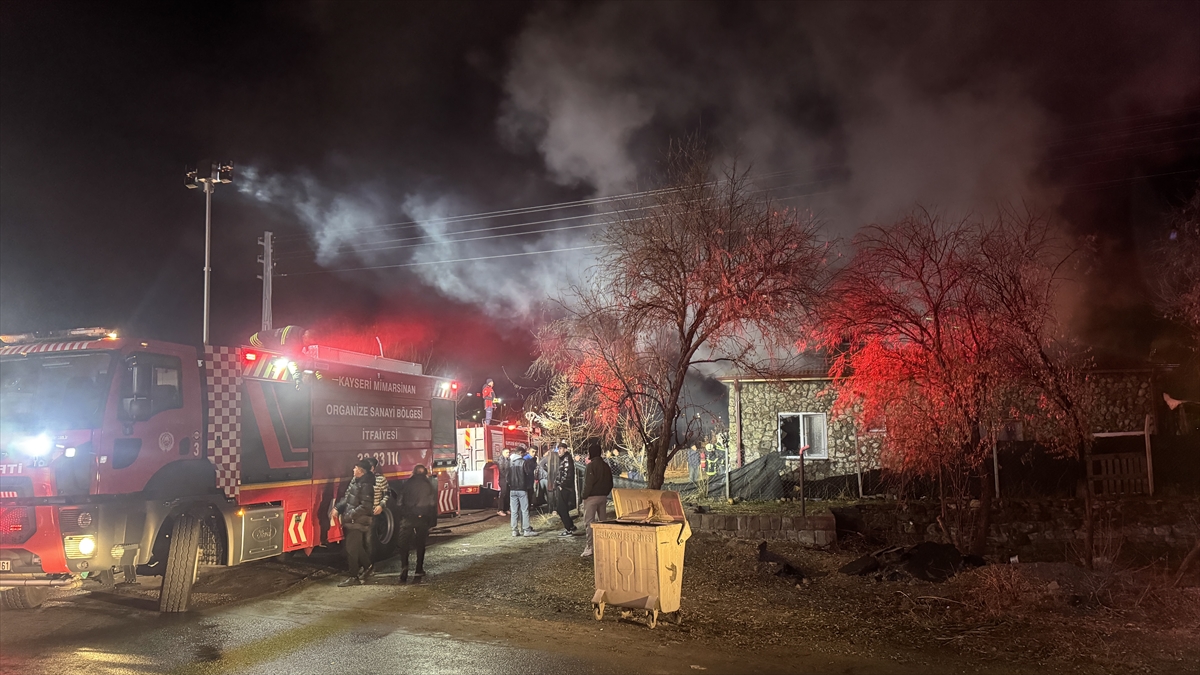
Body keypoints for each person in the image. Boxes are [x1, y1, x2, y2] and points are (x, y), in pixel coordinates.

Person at [330, 459, 375, 586]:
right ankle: (368, 566)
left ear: (361, 471)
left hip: (358, 521)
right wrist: (338, 508)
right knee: (356, 546)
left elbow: (366, 506)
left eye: (355, 468)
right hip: (352, 519)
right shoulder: (355, 482)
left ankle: (353, 577)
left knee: (351, 549)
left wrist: (350, 515)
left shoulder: (366, 486)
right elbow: (348, 498)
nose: (353, 470)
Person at [397, 464, 438, 582]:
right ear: (425, 473)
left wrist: (404, 514)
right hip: (422, 518)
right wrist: (430, 520)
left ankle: (404, 567)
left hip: (408, 518)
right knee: (420, 544)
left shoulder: (407, 484)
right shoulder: (428, 485)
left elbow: (400, 502)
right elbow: (432, 504)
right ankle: (419, 568)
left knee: (404, 545)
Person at [580, 445, 613, 557]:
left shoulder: (591, 466)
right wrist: (605, 493)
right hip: (603, 497)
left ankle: (590, 547)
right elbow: (610, 483)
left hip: (591, 497)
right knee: (603, 521)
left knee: (589, 522)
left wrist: (584, 496)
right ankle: (604, 544)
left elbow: (588, 484)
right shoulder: (606, 466)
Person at [363, 457, 390, 577]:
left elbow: (386, 494)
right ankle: (364, 565)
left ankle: (370, 566)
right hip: (360, 514)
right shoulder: (359, 479)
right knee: (360, 541)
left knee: (369, 540)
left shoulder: (380, 480)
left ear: (372, 468)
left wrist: (381, 506)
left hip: (373, 514)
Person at [507, 444, 539, 537]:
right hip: (522, 489)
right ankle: (526, 530)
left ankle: (514, 530)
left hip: (512, 490)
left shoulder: (510, 462)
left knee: (514, 511)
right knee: (524, 510)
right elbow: (528, 474)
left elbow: (507, 477)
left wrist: (510, 485)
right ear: (520, 453)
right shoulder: (523, 462)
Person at [554, 443, 579, 536]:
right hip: (564, 487)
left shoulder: (567, 459)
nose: (559, 451)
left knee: (561, 508)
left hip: (565, 487)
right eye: (558, 449)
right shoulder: (564, 459)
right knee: (561, 508)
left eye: (561, 448)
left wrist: (561, 485)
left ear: (565, 449)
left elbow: (568, 474)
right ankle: (571, 526)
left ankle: (569, 529)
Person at [496, 446, 511, 516]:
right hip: (503, 479)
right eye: (507, 452)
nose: (508, 453)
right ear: (503, 453)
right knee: (503, 494)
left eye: (509, 452)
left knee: (507, 493)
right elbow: (501, 470)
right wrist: (506, 477)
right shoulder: (501, 460)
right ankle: (500, 509)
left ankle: (506, 508)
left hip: (507, 479)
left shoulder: (508, 459)